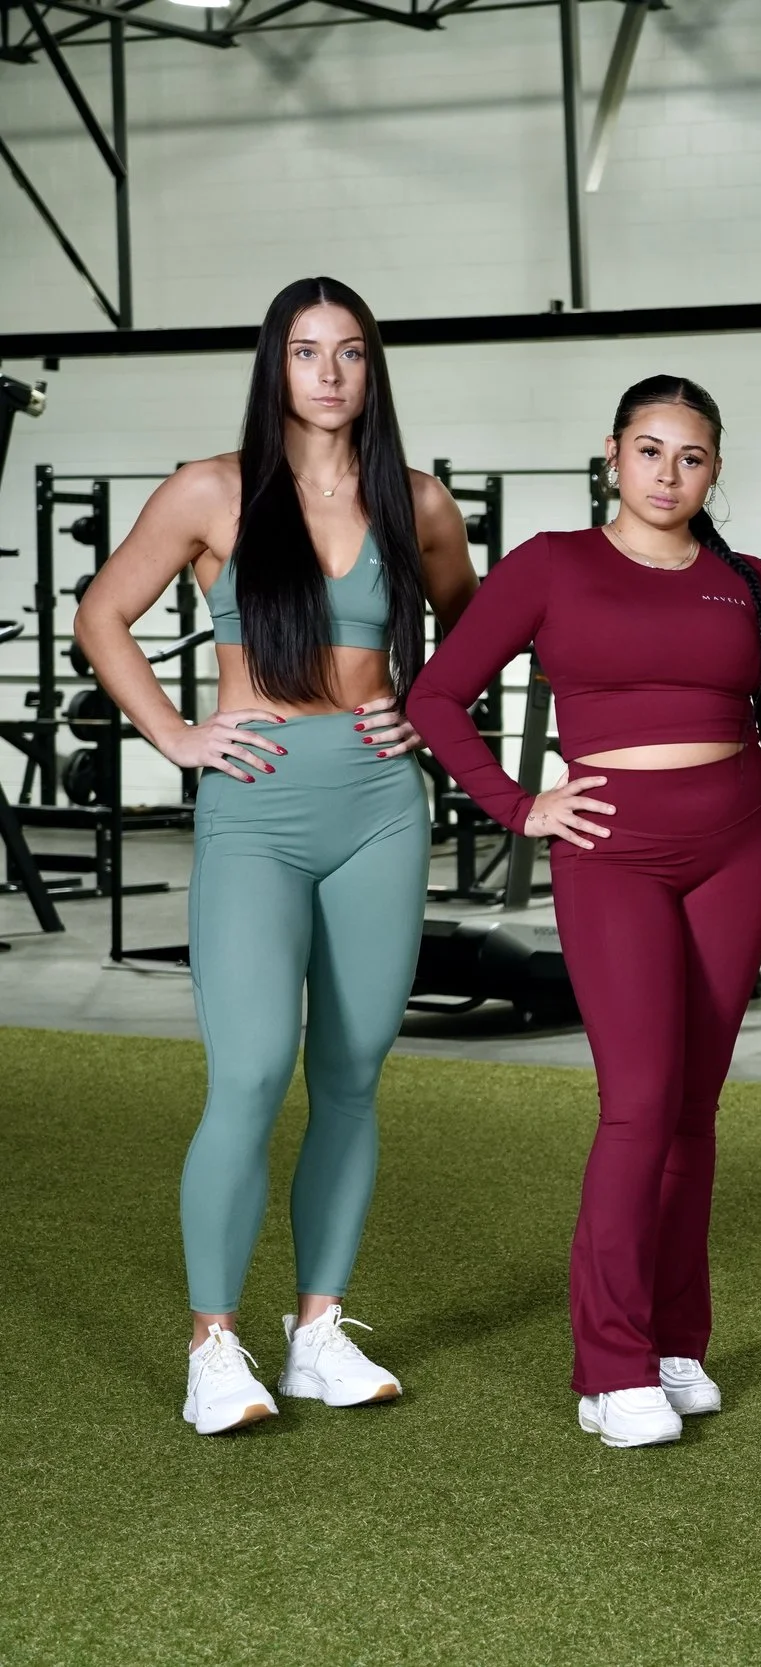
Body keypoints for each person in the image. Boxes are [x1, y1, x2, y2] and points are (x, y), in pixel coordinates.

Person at [74, 276, 476, 1435]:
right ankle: (214, 1344)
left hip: (379, 806)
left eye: (350, 351)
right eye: (307, 352)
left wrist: (428, 709)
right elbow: (103, 612)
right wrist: (176, 734)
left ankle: (316, 1332)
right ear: (276, 364)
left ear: (372, 367)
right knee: (251, 1072)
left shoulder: (418, 500)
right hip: (254, 799)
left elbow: (478, 627)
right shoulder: (212, 489)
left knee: (351, 1072)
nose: (331, 373)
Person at [408, 376, 761, 1448]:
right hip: (612, 852)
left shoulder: (750, 581)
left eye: (690, 457)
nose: (668, 474)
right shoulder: (552, 564)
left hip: (737, 850)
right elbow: (435, 697)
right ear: (612, 453)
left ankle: (676, 1339)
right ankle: (609, 1362)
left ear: (715, 468)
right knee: (638, 1102)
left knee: (695, 1109)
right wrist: (518, 804)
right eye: (650, 451)